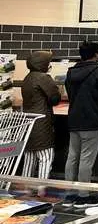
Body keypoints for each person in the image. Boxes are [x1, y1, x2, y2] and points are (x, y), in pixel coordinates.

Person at [64, 42, 98, 207]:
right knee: (86, 159)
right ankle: (83, 196)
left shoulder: (71, 71)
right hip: (93, 121)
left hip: (74, 120)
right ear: (97, 53)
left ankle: (69, 194)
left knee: (72, 157)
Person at [20, 51, 60, 180]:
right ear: (42, 64)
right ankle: (41, 188)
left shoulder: (27, 78)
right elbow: (55, 98)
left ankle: (26, 188)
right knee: (45, 156)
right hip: (41, 122)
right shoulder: (43, 78)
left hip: (28, 121)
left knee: (30, 156)